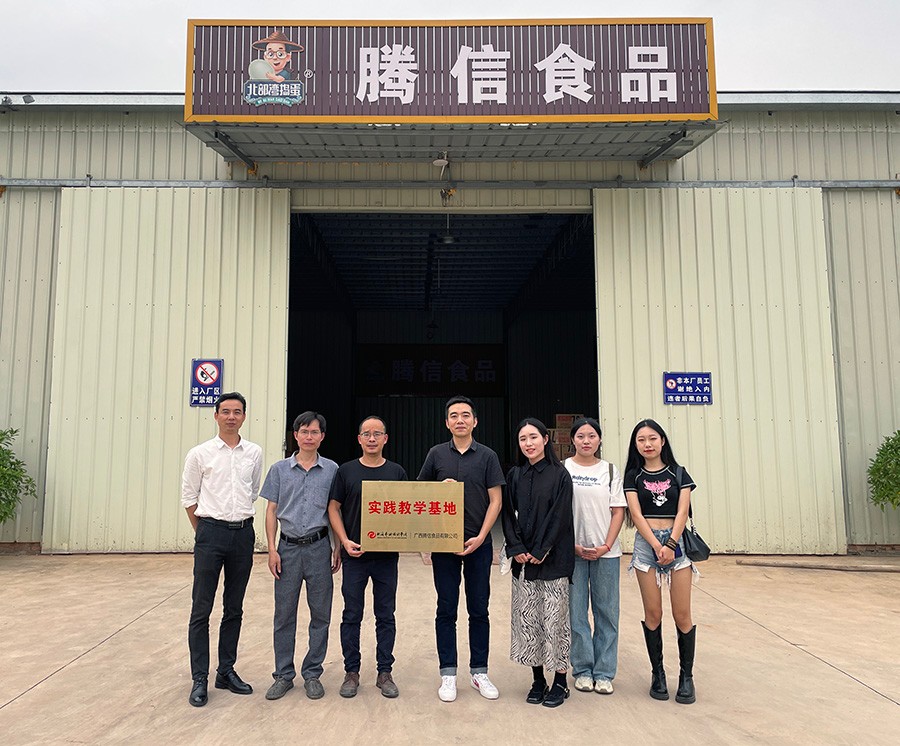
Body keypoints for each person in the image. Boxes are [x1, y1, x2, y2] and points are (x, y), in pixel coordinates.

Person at [417, 395, 505, 702]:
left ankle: (479, 672)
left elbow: (496, 500)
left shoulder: (488, 456)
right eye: (454, 415)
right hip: (444, 545)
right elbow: (420, 496)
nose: (460, 420)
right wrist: (437, 490)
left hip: (478, 544)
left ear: (475, 421)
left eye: (465, 415)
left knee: (479, 609)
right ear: (447, 423)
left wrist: (481, 537)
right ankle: (448, 673)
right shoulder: (436, 454)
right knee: (446, 608)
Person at [181, 392, 263, 708]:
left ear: (244, 417)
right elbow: (189, 497)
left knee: (234, 607)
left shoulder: (253, 452)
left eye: (237, 412)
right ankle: (199, 678)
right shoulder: (200, 454)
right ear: (215, 416)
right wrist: (204, 532)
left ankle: (226, 671)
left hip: (242, 534)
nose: (231, 417)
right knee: (201, 608)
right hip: (210, 533)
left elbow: (252, 491)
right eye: (225, 411)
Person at [260, 412, 339, 702]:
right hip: (288, 549)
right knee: (284, 614)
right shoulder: (279, 470)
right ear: (295, 435)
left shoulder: (332, 470)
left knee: (321, 614)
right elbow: (271, 511)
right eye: (304, 431)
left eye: (314, 432)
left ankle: (313, 673)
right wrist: (272, 550)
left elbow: (335, 510)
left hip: (319, 547)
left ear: (322, 437)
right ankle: (283, 674)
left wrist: (337, 547)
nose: (309, 437)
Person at [328, 416, 408, 699]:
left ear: (386, 438)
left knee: (385, 615)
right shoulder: (346, 471)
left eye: (377, 434)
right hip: (355, 555)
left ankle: (384, 672)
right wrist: (343, 541)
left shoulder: (397, 472)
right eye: (366, 434)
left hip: (386, 557)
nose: (372, 439)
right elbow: (333, 508)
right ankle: (351, 672)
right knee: (352, 614)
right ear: (359, 439)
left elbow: (409, 509)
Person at [623, 418, 699, 705]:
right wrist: (657, 545)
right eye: (641, 440)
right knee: (653, 614)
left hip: (677, 544)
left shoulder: (679, 473)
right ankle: (658, 674)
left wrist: (670, 544)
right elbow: (636, 514)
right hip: (647, 546)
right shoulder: (633, 476)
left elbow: (682, 512)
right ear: (636, 445)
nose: (647, 444)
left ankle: (686, 677)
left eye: (652, 438)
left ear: (662, 441)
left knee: (682, 614)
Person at [502, 417, 575, 708]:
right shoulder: (515, 475)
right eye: (523, 439)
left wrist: (543, 549)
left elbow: (560, 516)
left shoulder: (560, 475)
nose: (528, 443)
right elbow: (508, 514)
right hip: (524, 562)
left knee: (556, 622)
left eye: (533, 437)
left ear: (545, 439)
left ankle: (560, 681)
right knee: (530, 622)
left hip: (554, 560)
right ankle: (537, 680)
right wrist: (516, 547)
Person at [564, 417, 626, 695]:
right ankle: (583, 670)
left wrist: (606, 545)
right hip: (573, 552)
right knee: (576, 614)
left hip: (607, 554)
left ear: (599, 439)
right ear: (572, 440)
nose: (586, 441)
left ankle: (604, 672)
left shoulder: (610, 471)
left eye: (591, 436)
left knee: (607, 613)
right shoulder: (563, 468)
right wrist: (572, 545)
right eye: (580, 436)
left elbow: (618, 511)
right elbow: (557, 511)